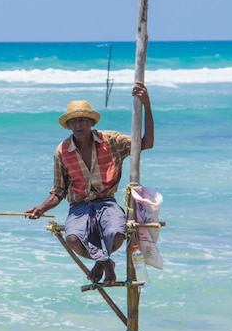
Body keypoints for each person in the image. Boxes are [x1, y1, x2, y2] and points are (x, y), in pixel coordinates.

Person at [25, 82, 154, 286]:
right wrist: (41, 208)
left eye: (82, 121)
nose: (78, 126)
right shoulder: (62, 151)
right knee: (73, 240)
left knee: (117, 234)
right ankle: (105, 263)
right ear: (68, 125)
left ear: (91, 123)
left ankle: (100, 263)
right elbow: (58, 191)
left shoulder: (111, 141)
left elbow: (146, 143)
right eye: (73, 122)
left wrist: (146, 104)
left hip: (107, 202)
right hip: (79, 206)